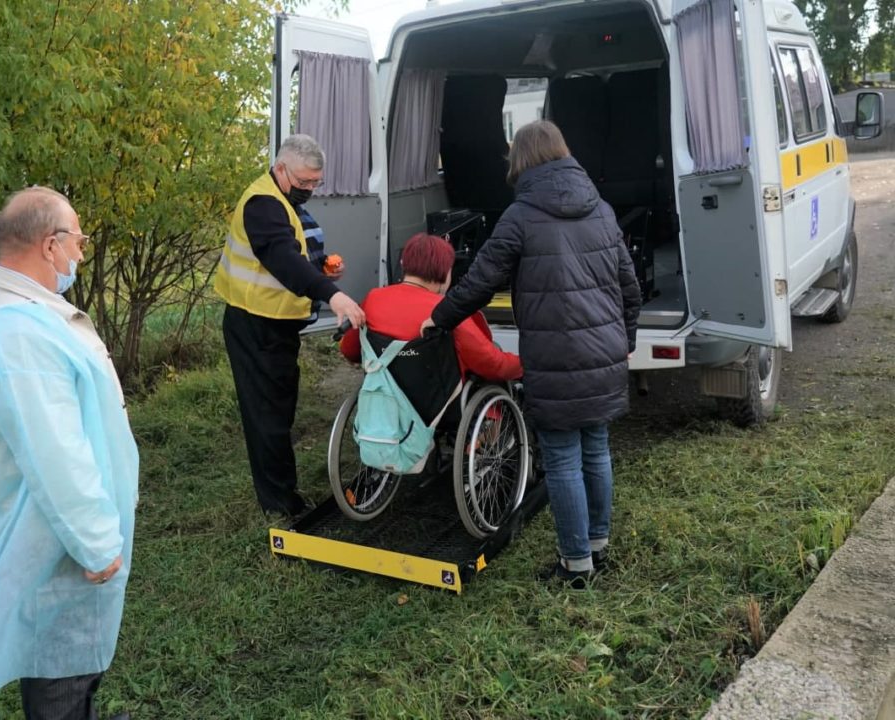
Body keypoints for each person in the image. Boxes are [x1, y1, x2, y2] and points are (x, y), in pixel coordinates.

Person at [0, 186, 137, 719]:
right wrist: (98, 543)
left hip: (52, 530)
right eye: (78, 241)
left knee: (74, 664)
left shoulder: (18, 314)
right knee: (61, 668)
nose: (80, 253)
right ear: (50, 246)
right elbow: (56, 454)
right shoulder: (16, 332)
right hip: (51, 538)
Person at [422, 120, 641, 587]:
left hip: (554, 354)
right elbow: (630, 288)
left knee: (562, 458)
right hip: (604, 350)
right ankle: (597, 545)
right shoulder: (601, 210)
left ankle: (575, 564)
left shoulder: (520, 216)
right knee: (596, 448)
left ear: (520, 160)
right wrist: (626, 341)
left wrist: (438, 318)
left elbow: (479, 282)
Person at [215, 134, 365, 517]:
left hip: (276, 326)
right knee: (267, 415)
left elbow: (296, 253)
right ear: (280, 169)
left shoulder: (284, 198)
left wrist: (321, 268)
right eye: (303, 182)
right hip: (254, 325)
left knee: (279, 408)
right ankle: (280, 505)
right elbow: (281, 257)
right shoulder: (262, 205)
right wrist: (331, 294)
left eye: (316, 182)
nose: (309, 189)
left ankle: (282, 489)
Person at [339, 232, 522, 383]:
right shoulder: (446, 311)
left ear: (405, 264)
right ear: (444, 271)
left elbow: (350, 349)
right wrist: (526, 365)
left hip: (386, 396)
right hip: (438, 407)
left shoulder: (374, 298)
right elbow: (493, 365)